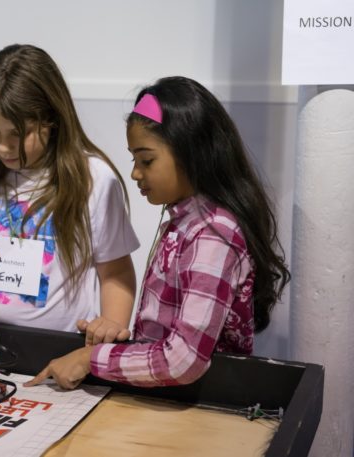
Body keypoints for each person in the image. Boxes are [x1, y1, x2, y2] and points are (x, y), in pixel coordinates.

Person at [26, 76, 291, 389]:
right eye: (134, 159)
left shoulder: (213, 236)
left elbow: (182, 360)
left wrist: (92, 359)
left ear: (192, 152)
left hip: (200, 404)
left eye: (147, 160)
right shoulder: (184, 221)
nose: (136, 173)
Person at [0, 44, 140, 342]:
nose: (4, 147)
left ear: (51, 121)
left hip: (61, 346)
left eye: (18, 134)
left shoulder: (94, 180)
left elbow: (116, 273)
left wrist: (106, 333)